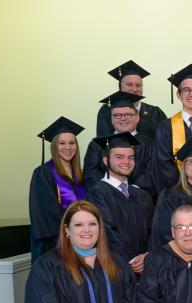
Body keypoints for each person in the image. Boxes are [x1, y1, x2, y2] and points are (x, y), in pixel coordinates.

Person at [85, 133, 153, 275]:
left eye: (131, 157)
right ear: (106, 160)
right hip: (115, 270)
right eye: (119, 157)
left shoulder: (141, 195)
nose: (126, 161)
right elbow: (107, 232)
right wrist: (133, 260)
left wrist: (148, 256)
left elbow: (152, 229)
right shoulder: (97, 194)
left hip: (145, 268)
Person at [30, 117, 86, 262]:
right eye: (62, 143)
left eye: (71, 143)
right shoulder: (43, 173)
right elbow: (45, 212)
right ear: (54, 146)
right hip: (55, 243)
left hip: (82, 241)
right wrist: (70, 233)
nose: (68, 147)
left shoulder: (80, 174)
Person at [152, 64, 192, 192]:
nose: (191, 94)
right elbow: (162, 164)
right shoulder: (165, 127)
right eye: (186, 90)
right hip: (175, 195)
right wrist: (181, 191)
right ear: (179, 95)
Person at [150, 137, 192, 250]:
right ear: (184, 167)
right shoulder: (170, 196)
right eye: (190, 161)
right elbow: (163, 232)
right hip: (180, 258)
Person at [84, 91, 155, 195]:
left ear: (137, 117)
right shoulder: (97, 145)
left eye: (128, 114)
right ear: (111, 119)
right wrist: (114, 190)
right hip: (106, 199)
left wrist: (131, 191)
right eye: (117, 115)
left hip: (141, 199)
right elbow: (91, 174)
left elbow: (152, 173)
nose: (123, 118)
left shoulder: (151, 144)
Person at [96, 60, 166, 138]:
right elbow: (104, 142)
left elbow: (164, 142)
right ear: (120, 88)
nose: (134, 89)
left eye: (138, 85)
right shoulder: (107, 110)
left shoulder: (155, 113)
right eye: (129, 85)